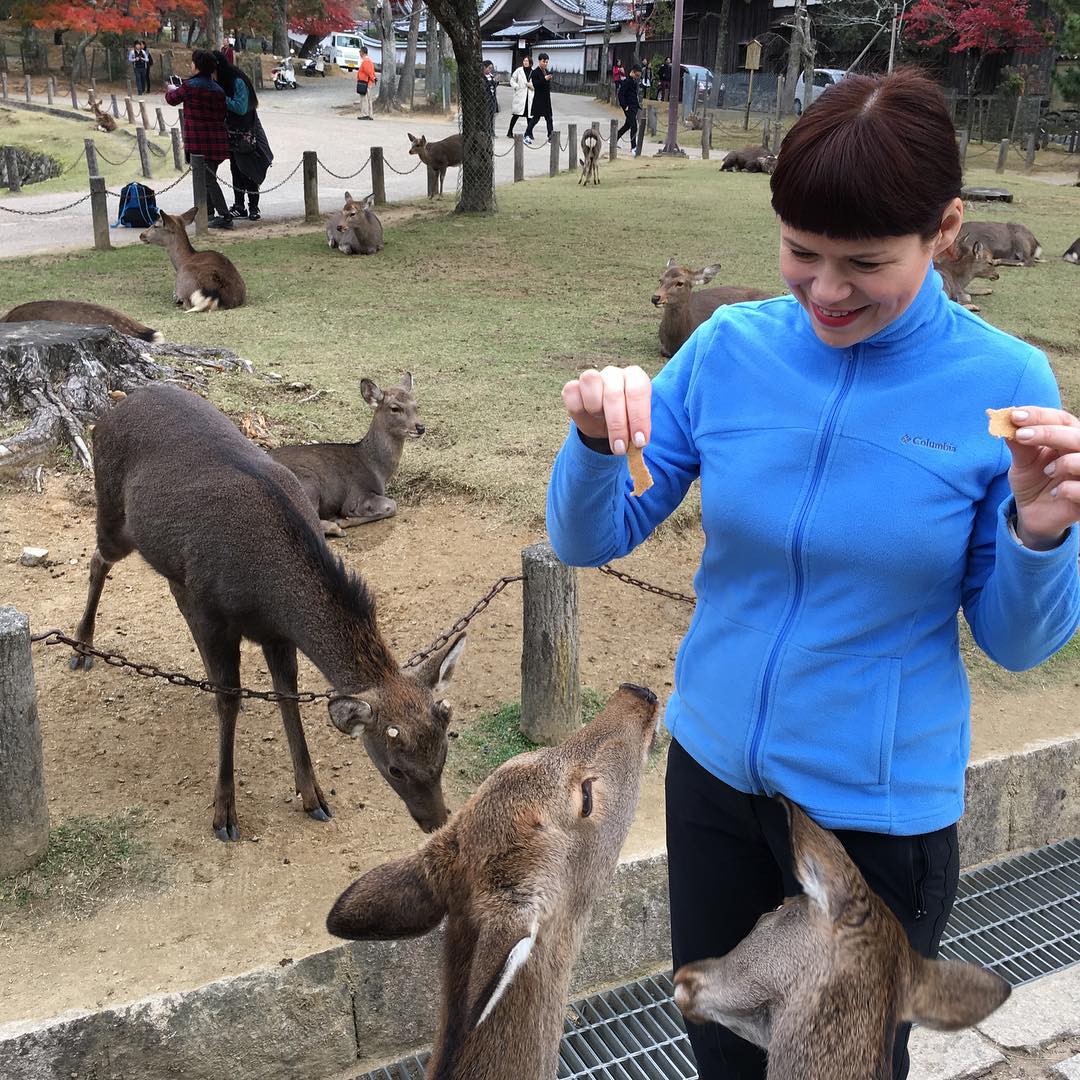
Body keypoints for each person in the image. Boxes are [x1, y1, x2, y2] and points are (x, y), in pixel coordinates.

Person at [545, 68, 1080, 1080]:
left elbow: (1017, 641)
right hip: (710, 782)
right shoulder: (728, 348)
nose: (827, 292)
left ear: (947, 227)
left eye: (865, 263)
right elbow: (591, 537)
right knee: (721, 1047)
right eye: (801, 253)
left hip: (870, 823)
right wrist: (588, 442)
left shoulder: (1005, 383)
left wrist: (1042, 534)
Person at [165, 50, 232, 228]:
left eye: (193, 62)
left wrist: (171, 88)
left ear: (197, 66)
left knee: (207, 180)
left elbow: (171, 99)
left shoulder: (190, 86)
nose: (191, 65)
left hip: (198, 140)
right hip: (216, 141)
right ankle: (208, 213)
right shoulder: (218, 89)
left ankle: (225, 216)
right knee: (208, 178)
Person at [214, 50, 273, 222]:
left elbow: (240, 107)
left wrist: (221, 97)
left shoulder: (236, 80)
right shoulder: (221, 80)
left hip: (246, 130)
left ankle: (253, 207)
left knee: (248, 169)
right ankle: (239, 206)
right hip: (231, 131)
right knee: (235, 169)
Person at [523, 52, 553, 145]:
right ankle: (526, 134)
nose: (545, 63)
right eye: (544, 61)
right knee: (536, 118)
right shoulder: (535, 72)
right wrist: (544, 79)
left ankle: (551, 136)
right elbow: (535, 84)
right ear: (539, 61)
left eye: (547, 62)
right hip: (539, 99)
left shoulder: (547, 71)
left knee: (549, 118)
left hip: (546, 99)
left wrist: (547, 79)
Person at [616, 63, 642, 152]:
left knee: (627, 125)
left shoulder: (633, 81)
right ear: (633, 72)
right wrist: (624, 105)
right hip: (628, 107)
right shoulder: (627, 81)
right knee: (634, 126)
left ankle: (614, 139)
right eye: (637, 75)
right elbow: (620, 94)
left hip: (633, 106)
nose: (638, 77)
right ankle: (633, 147)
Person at [507, 54, 533, 137]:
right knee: (516, 115)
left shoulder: (533, 72)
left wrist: (531, 86)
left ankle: (529, 133)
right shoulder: (519, 70)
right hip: (520, 95)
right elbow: (512, 80)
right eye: (524, 61)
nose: (525, 62)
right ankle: (510, 131)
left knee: (529, 117)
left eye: (527, 61)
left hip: (529, 96)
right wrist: (516, 86)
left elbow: (536, 83)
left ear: (530, 63)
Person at [356, 45, 377, 120]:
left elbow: (369, 72)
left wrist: (373, 78)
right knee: (368, 99)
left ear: (363, 52)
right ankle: (369, 114)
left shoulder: (366, 61)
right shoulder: (368, 61)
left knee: (364, 99)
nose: (359, 53)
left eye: (360, 52)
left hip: (365, 82)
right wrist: (373, 78)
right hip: (367, 82)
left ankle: (365, 114)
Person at [482, 59, 499, 136]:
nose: (490, 70)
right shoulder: (482, 77)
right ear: (484, 68)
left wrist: (496, 82)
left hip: (492, 99)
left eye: (491, 68)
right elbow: (484, 87)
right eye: (489, 68)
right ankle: (486, 131)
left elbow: (494, 87)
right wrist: (491, 83)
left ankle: (491, 131)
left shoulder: (491, 76)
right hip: (485, 99)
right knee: (486, 116)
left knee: (492, 116)